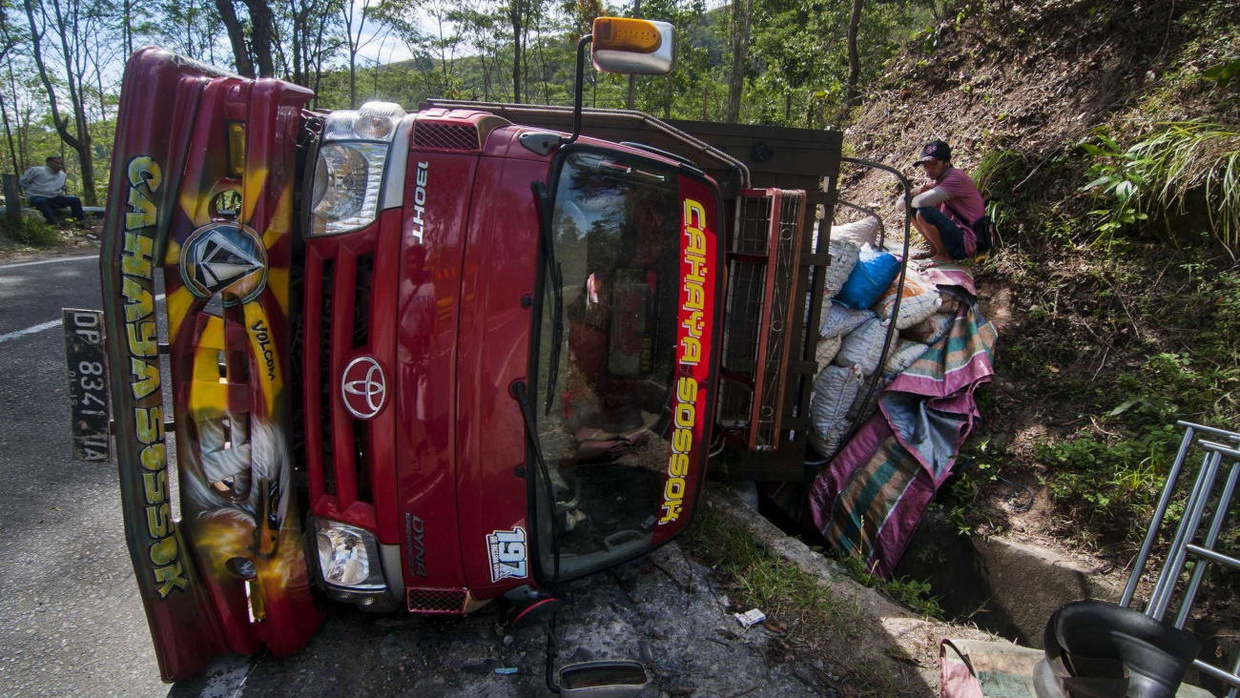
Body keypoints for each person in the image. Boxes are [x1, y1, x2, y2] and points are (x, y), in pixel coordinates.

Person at [907, 139, 985, 261]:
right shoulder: (937, 180)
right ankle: (934, 250)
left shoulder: (955, 178)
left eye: (933, 164)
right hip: (955, 233)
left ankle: (943, 254)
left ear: (946, 163)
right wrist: (917, 190)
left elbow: (920, 203)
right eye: (925, 165)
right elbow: (900, 204)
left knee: (924, 212)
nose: (928, 169)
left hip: (967, 240)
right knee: (911, 209)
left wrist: (916, 194)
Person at [20, 156, 89, 228]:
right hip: (36, 196)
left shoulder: (62, 175)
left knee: (75, 199)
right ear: (49, 163)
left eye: (61, 164)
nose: (60, 166)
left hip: (54, 198)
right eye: (57, 163)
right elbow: (23, 181)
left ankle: (80, 221)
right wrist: (30, 192)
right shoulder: (36, 170)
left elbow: (61, 188)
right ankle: (53, 223)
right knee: (41, 201)